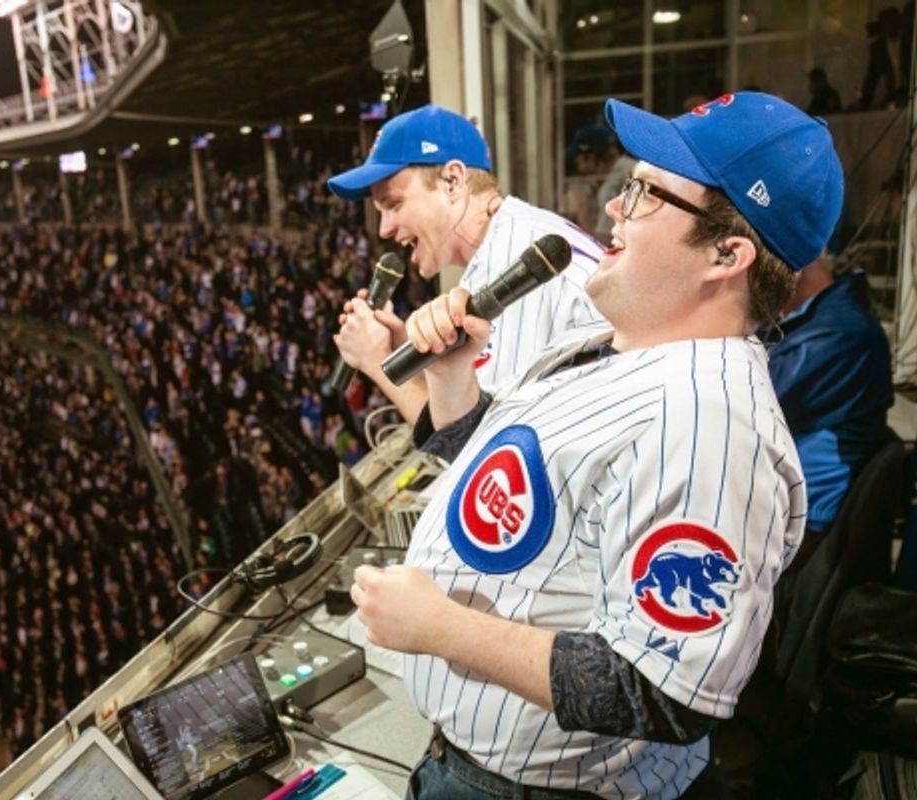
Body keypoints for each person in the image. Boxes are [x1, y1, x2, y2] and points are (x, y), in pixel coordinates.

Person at [351, 91, 843, 798]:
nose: (614, 206)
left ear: (726, 254)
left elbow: (661, 693)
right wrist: (454, 377)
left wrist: (439, 628)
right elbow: (510, 473)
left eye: (646, 194)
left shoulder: (705, 426)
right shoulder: (621, 344)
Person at [328, 104, 604, 423]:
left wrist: (376, 360)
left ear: (453, 181)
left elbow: (480, 441)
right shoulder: (512, 238)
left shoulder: (517, 267)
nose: (384, 229)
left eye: (394, 205)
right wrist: (407, 349)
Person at [769, 252, 893, 543]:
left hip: (806, 521)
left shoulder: (838, 334)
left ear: (793, 268)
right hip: (788, 504)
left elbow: (752, 405)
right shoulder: (817, 321)